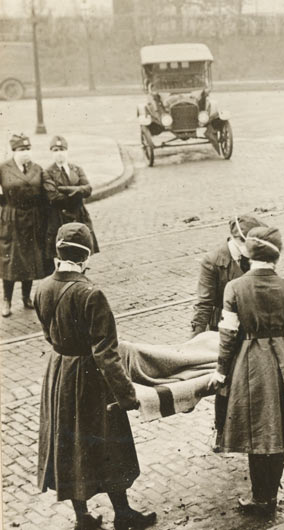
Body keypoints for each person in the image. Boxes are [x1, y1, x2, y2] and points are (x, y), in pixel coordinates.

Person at [34, 223, 156, 530]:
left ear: (57, 253)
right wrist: (127, 395)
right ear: (86, 257)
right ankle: (124, 515)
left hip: (59, 374)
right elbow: (106, 353)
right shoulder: (91, 294)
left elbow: (48, 336)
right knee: (109, 443)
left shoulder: (42, 288)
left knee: (69, 444)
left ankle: (82, 518)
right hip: (90, 380)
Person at [208, 225, 284, 520]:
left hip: (250, 362)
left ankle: (260, 497)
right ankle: (270, 495)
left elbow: (228, 335)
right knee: (281, 425)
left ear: (249, 254)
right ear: (276, 256)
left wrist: (222, 370)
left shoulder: (235, 287)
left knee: (256, 428)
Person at [190, 214, 264, 337]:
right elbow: (204, 305)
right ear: (237, 239)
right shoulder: (212, 261)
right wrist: (194, 341)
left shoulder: (257, 255)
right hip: (224, 328)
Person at [0, 133, 49, 317]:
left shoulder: (37, 169)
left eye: (27, 149)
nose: (25, 153)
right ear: (14, 151)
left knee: (29, 259)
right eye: (21, 150)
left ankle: (26, 297)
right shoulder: (3, 168)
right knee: (10, 261)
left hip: (33, 220)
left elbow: (44, 195)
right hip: (12, 219)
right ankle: (7, 300)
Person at [43, 135, 99, 267]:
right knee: (61, 255)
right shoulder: (47, 173)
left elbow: (88, 189)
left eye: (62, 149)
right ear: (51, 153)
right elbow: (54, 197)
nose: (59, 153)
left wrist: (65, 189)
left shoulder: (76, 169)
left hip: (79, 215)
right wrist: (77, 191)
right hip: (59, 218)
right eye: (55, 150)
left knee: (82, 249)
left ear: (67, 151)